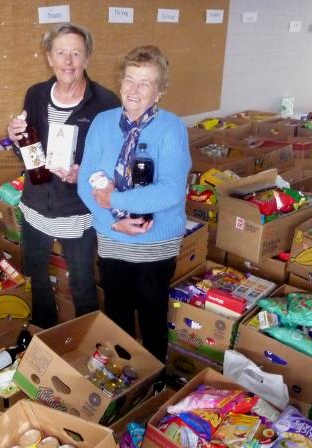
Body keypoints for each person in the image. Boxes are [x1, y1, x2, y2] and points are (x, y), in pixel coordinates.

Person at [77, 45, 191, 362]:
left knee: (152, 315)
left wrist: (115, 198)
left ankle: (154, 378)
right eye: (129, 80)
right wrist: (111, 218)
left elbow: (170, 190)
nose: (134, 90)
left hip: (155, 241)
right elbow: (88, 178)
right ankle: (125, 376)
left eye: (145, 83)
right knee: (117, 314)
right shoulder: (102, 123)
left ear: (160, 90)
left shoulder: (171, 128)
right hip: (112, 238)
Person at [7, 23, 120, 328]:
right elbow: (27, 153)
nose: (68, 61)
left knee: (82, 282)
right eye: (61, 53)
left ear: (87, 59)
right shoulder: (36, 95)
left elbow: (117, 160)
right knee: (35, 276)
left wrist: (85, 175)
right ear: (49, 57)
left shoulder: (105, 103)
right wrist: (16, 140)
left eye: (75, 53)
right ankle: (43, 334)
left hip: (77, 210)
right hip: (35, 205)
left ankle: (88, 345)